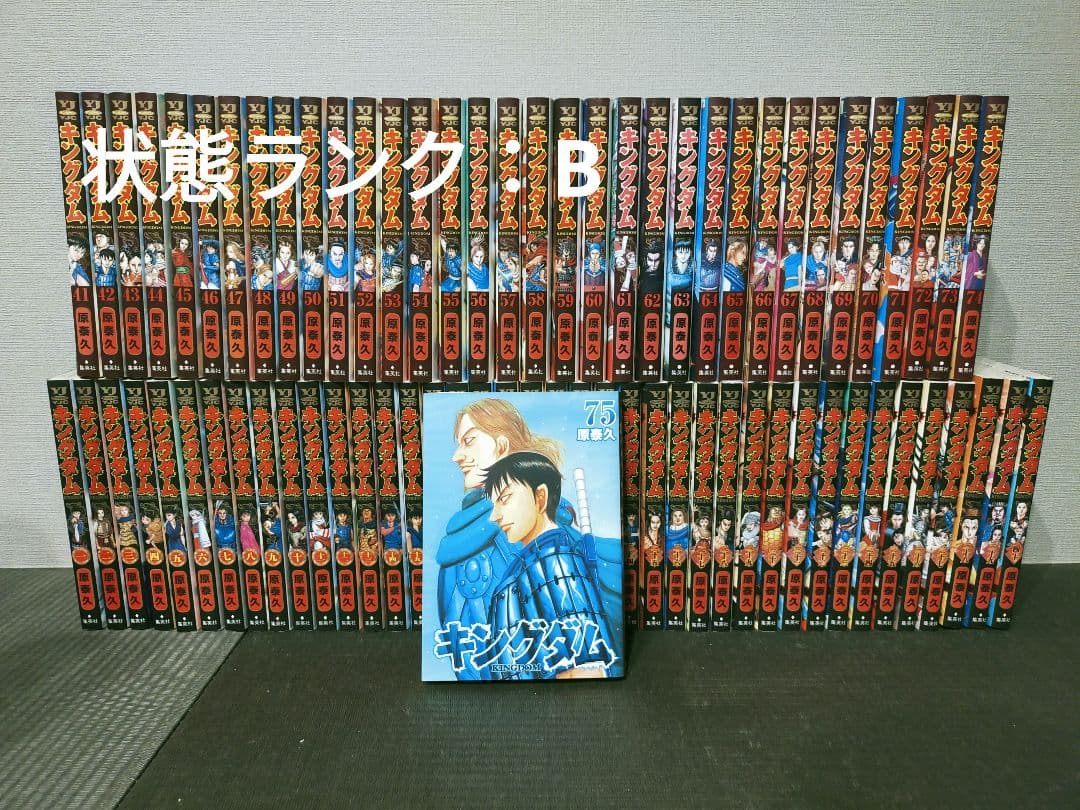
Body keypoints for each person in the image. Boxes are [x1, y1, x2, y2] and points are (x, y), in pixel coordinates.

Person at [435, 397, 619, 680]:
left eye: (469, 440)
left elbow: (585, 664)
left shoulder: (555, 556)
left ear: (502, 445)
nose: (456, 456)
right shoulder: (490, 544)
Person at [483, 451, 617, 679]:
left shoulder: (556, 563)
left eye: (504, 499)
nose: (494, 516)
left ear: (540, 497)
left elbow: (585, 670)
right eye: (495, 504)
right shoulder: (531, 564)